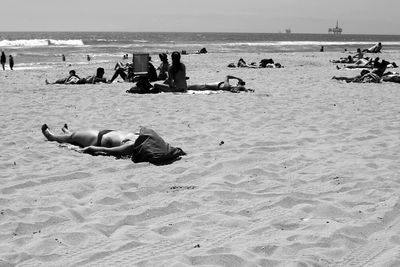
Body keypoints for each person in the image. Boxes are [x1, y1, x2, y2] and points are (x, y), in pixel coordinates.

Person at [41, 123, 185, 164]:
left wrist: (86, 149)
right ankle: (68, 133)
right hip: (108, 132)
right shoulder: (141, 137)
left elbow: (107, 151)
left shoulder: (131, 146)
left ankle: (53, 137)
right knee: (75, 135)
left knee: (74, 137)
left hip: (98, 138)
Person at [187, 75, 254, 93]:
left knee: (204, 85)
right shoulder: (241, 87)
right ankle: (188, 87)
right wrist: (248, 90)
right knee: (204, 87)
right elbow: (243, 88)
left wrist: (237, 78)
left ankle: (188, 87)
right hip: (225, 87)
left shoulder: (240, 85)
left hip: (223, 86)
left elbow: (227, 76)